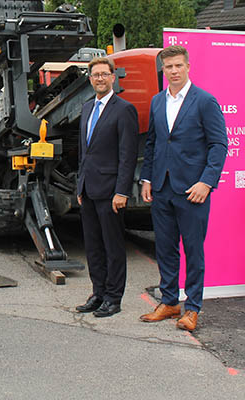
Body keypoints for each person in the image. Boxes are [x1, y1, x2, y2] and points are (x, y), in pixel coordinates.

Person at [139, 45, 227, 331]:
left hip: (192, 190)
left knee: (193, 250)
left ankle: (192, 308)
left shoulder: (204, 101)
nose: (174, 71)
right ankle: (169, 301)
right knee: (164, 248)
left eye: (178, 66)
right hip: (162, 188)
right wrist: (147, 179)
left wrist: (206, 182)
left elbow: (219, 145)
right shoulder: (156, 102)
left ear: (188, 66)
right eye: (169, 67)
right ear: (163, 71)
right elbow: (152, 143)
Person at [75, 57, 139, 318]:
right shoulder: (87, 108)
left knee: (113, 247)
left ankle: (114, 297)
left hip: (111, 191)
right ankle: (98, 292)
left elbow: (128, 155)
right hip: (89, 189)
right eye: (95, 75)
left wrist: (121, 191)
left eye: (104, 74)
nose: (99, 78)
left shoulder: (124, 110)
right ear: (90, 79)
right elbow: (83, 152)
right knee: (93, 246)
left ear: (113, 77)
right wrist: (79, 186)